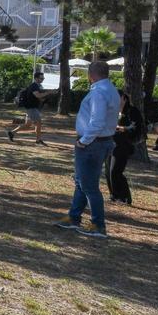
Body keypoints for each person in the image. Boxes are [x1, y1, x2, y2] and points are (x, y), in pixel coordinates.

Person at [56, 61, 120, 238]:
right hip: (103, 141)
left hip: (92, 144)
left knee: (89, 185)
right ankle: (74, 217)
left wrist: (84, 141)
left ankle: (98, 225)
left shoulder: (99, 92)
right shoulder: (111, 89)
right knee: (81, 181)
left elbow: (97, 121)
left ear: (90, 75)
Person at [106, 90, 143, 205]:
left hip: (123, 145)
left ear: (123, 98)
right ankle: (114, 195)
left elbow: (135, 129)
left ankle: (125, 197)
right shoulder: (112, 111)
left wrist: (121, 128)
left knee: (115, 171)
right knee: (108, 171)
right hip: (111, 142)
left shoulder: (132, 111)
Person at [8, 72, 49, 145]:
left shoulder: (37, 86)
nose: (42, 79)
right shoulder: (34, 86)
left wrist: (45, 98)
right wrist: (48, 93)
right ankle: (38, 140)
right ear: (36, 78)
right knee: (38, 123)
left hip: (31, 108)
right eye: (41, 78)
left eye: (43, 78)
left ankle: (11, 133)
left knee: (27, 124)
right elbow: (38, 95)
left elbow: (37, 98)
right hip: (32, 108)